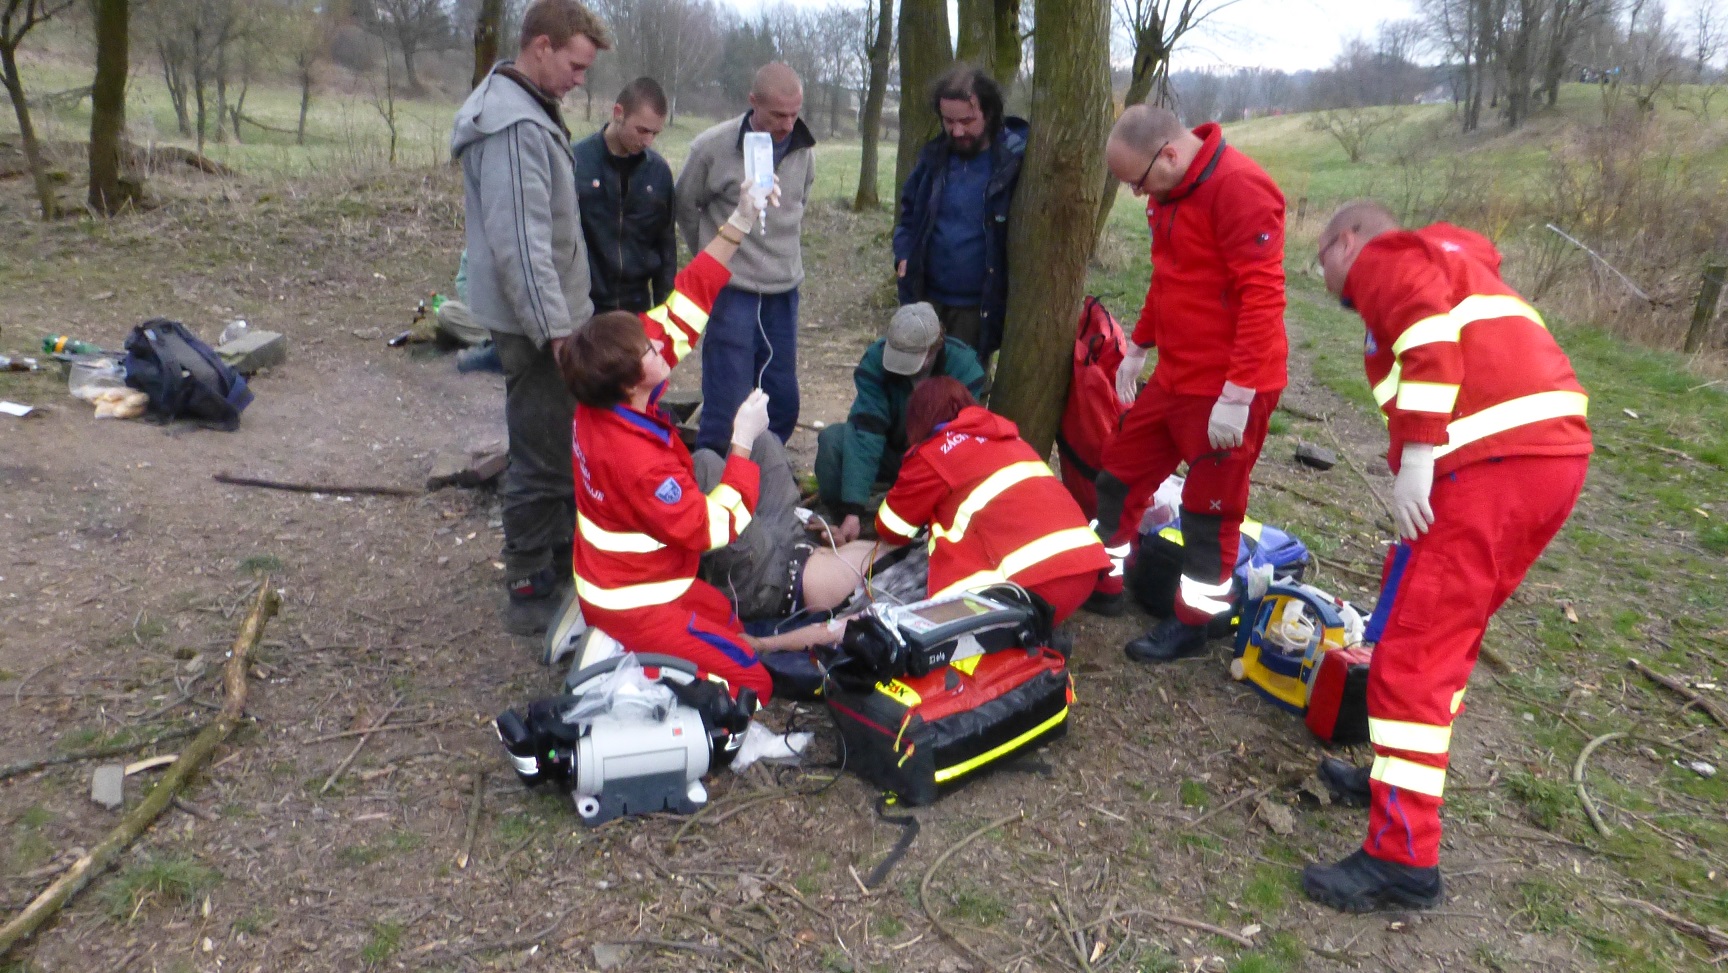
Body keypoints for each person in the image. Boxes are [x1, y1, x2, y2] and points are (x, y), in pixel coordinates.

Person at [1302, 200, 1592, 912]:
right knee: (1437, 634)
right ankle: (1393, 778)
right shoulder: (1453, 263)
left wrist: (1418, 456)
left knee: (1415, 659)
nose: (1326, 275)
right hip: (1544, 460)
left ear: (1347, 240)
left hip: (1489, 465)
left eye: (1323, 257)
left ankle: (1402, 858)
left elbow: (1431, 342)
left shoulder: (1388, 257)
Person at [558, 179, 787, 702]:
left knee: (728, 620)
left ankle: (637, 656)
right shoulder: (636, 461)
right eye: (647, 351)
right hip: (634, 600)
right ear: (629, 382)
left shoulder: (605, 397)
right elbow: (711, 527)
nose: (659, 346)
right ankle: (638, 675)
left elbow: (686, 302)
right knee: (753, 684)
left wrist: (740, 221)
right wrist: (742, 442)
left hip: (634, 580)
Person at [1086, 104, 1288, 666]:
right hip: (1176, 374)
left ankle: (1196, 621)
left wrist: (1239, 394)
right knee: (1119, 473)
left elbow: (1262, 298)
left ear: (1170, 155)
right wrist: (1139, 347)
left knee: (1209, 510)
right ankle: (1103, 578)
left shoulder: (1242, 189)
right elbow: (1168, 275)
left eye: (1138, 182)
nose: (1137, 195)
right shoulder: (1168, 192)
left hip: (1226, 386)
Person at [451, 0, 611, 635]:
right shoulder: (513, 127)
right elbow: (521, 246)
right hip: (539, 325)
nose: (579, 80)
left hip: (552, 315)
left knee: (558, 440)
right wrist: (559, 336)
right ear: (541, 46)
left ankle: (563, 557)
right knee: (541, 452)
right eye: (575, 66)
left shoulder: (527, 106)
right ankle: (527, 582)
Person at [872, 377, 1110, 624]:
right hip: (1084, 568)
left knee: (939, 645)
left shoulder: (933, 454)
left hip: (1030, 585)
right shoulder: (1009, 439)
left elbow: (891, 528)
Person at [676, 63, 816, 454]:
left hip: (783, 288)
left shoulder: (804, 149)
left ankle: (766, 464)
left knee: (780, 392)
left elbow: (800, 201)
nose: (788, 124)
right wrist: (712, 258)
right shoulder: (711, 148)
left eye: (794, 113)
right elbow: (685, 205)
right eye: (778, 115)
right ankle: (715, 469)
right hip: (732, 288)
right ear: (753, 102)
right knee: (728, 393)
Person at [814, 302, 987, 543]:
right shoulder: (875, 360)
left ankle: (929, 525)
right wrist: (853, 508)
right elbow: (867, 430)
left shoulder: (964, 368)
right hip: (889, 452)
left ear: (934, 349)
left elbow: (959, 443)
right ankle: (846, 520)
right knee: (833, 440)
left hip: (936, 459)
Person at [892, 64, 1028, 361]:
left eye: (967, 121)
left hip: (977, 309)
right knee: (918, 383)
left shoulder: (1013, 163)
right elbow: (908, 214)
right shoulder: (933, 158)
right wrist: (903, 253)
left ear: (989, 113)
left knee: (964, 386)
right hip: (926, 300)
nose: (957, 131)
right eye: (948, 121)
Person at [572, 77, 677, 314]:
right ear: (618, 113)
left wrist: (665, 313)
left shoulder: (658, 172)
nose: (648, 141)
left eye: (655, 133)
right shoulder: (575, 163)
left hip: (636, 307)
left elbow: (666, 248)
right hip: (584, 307)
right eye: (642, 130)